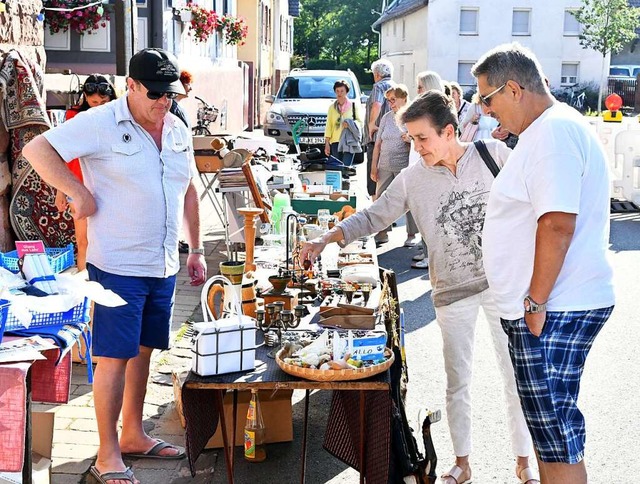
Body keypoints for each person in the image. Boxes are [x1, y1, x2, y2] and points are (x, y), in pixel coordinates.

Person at [301, 91, 538, 484]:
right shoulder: (413, 178)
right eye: (410, 139)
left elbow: (533, 202)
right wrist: (327, 238)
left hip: (504, 288)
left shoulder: (495, 155)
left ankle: (523, 461)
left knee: (515, 376)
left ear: (449, 131)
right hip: (451, 293)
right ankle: (462, 463)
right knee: (457, 380)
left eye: (422, 138)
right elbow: (375, 215)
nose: (416, 147)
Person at [22, 47, 207, 484]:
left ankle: (134, 436)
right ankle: (107, 455)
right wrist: (77, 191)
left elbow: (190, 188)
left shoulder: (176, 125)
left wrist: (196, 248)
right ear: (132, 86)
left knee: (144, 351)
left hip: (162, 262)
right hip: (118, 264)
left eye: (171, 94)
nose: (164, 101)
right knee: (113, 358)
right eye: (156, 93)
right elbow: (36, 149)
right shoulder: (102, 122)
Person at [472, 43, 615, 484]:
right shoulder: (548, 130)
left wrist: (534, 302)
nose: (484, 110)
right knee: (552, 434)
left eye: (486, 98)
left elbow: (556, 225)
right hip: (552, 306)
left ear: (513, 89)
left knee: (556, 437)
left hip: (553, 308)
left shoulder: (552, 133)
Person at [55, 74, 117, 271]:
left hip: (111, 186)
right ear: (85, 98)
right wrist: (60, 190)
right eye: (94, 102)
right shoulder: (74, 117)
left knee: (109, 243)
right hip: (78, 186)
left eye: (103, 102)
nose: (98, 106)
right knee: (83, 242)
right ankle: (85, 292)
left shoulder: (118, 117)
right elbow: (64, 155)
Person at [369, 84, 417, 247]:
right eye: (388, 101)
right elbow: (378, 144)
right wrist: (373, 166)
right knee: (382, 199)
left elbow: (419, 142)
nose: (391, 104)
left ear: (404, 98)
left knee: (408, 199)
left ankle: (411, 234)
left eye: (393, 100)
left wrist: (410, 140)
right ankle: (382, 231)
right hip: (385, 165)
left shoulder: (411, 117)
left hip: (404, 165)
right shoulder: (386, 117)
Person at [410, 70, 448, 269]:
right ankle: (427, 253)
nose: (416, 91)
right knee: (425, 216)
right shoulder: (421, 112)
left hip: (432, 170)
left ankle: (430, 257)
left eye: (419, 86)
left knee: (432, 217)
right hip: (421, 167)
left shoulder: (437, 114)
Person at [364, 58, 395, 197]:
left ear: (377, 74)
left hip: (377, 138)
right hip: (392, 140)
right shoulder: (395, 87)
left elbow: (376, 104)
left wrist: (371, 124)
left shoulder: (378, 87)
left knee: (374, 180)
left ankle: (375, 213)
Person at [324, 79, 362, 167]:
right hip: (335, 141)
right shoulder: (332, 108)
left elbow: (360, 122)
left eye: (342, 91)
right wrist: (327, 143)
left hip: (349, 141)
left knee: (346, 168)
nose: (339, 93)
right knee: (337, 167)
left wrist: (350, 124)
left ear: (346, 92)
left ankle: (346, 180)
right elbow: (328, 126)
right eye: (337, 91)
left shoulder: (353, 106)